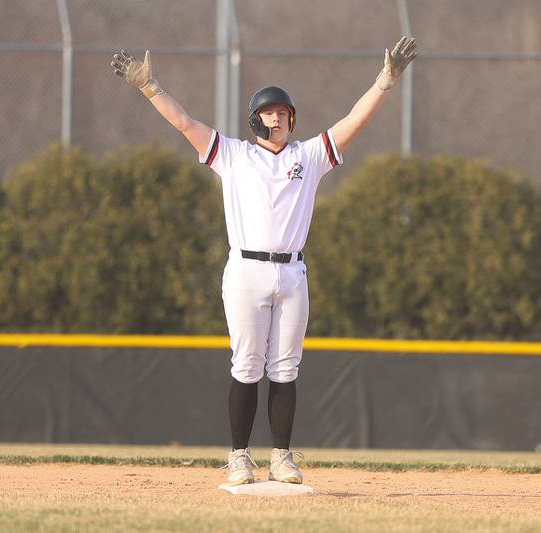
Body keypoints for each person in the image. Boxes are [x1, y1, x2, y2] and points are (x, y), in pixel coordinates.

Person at [111, 36, 417, 485]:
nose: (279, 117)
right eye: (271, 111)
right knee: (246, 365)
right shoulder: (234, 155)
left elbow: (354, 121)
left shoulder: (308, 157)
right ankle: (239, 456)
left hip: (292, 271)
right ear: (256, 119)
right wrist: (150, 87)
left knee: (286, 368)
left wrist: (384, 81)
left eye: (285, 112)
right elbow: (185, 124)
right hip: (246, 270)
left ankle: (281, 457)